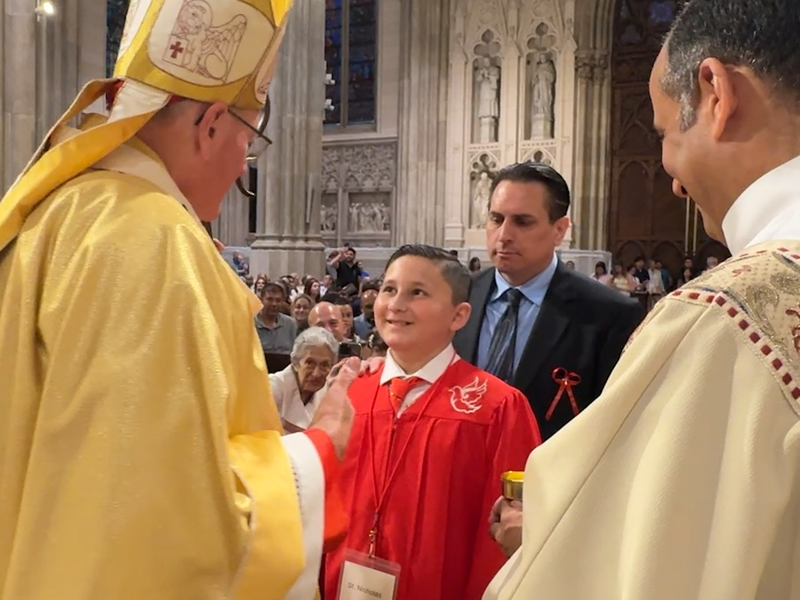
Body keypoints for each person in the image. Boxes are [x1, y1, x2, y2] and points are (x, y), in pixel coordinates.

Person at [0, 2, 358, 599]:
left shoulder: (61, 212)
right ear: (211, 124)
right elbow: (160, 530)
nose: (245, 163)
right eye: (250, 139)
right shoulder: (154, 245)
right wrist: (320, 452)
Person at [484, 1, 800, 599]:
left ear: (716, 93)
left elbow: (630, 568)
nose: (673, 180)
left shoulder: (730, 319)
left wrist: (542, 529)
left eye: (664, 132)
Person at [324, 245, 541, 600]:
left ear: (458, 316)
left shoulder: (495, 406)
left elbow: (502, 539)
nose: (396, 304)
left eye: (417, 292)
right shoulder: (350, 394)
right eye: (389, 289)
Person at [453, 162, 644, 440]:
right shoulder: (457, 295)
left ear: (559, 230)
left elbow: (618, 425)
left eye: (522, 221)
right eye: (496, 219)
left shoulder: (610, 315)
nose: (504, 235)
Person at [269, 327, 339, 432]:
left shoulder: (326, 394)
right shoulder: (272, 387)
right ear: (296, 363)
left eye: (324, 365)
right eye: (310, 363)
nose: (316, 373)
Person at [256, 282, 298, 353]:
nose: (274, 304)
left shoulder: (290, 324)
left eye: (278, 300)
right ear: (261, 300)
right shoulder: (251, 324)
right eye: (270, 299)